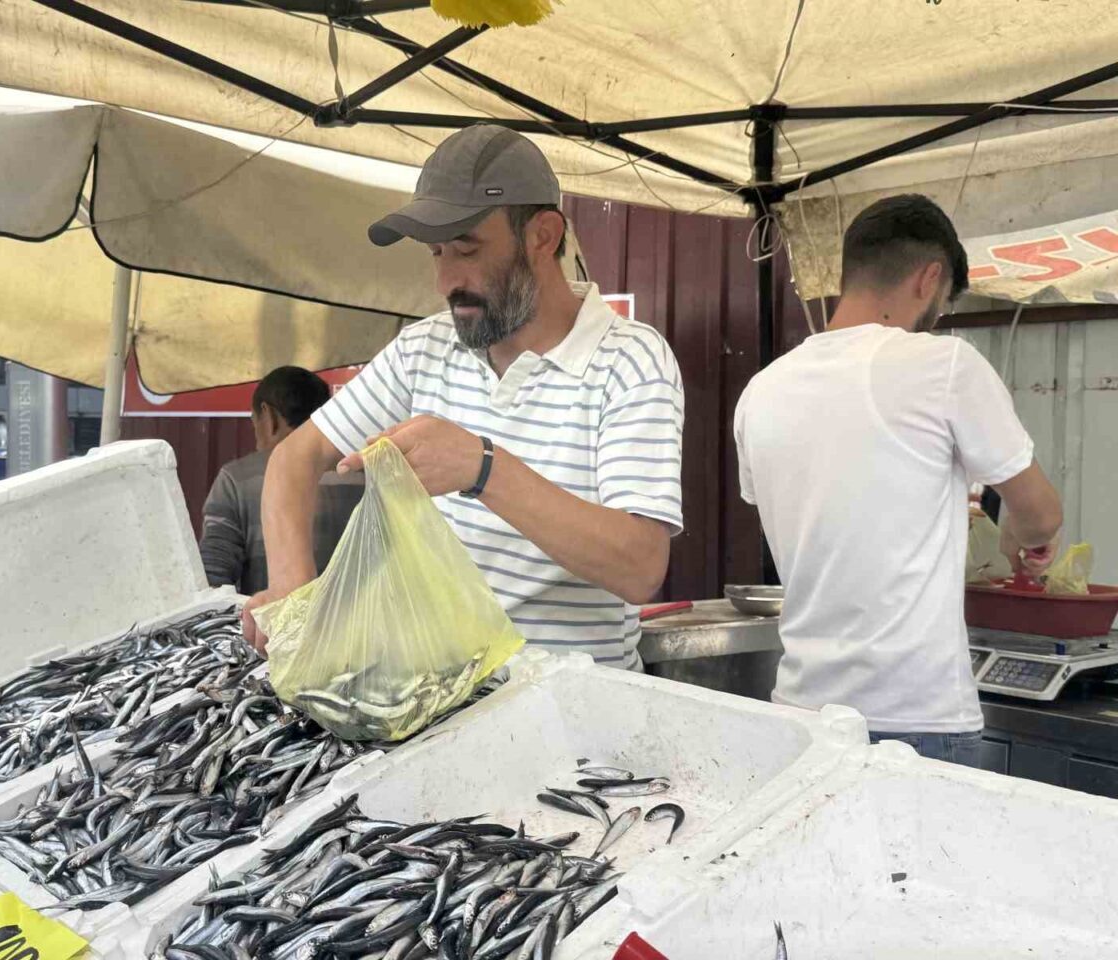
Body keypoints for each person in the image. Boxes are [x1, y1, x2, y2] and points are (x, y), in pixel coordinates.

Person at [242, 124, 685, 668]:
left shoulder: (631, 360)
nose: (445, 281)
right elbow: (295, 456)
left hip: (569, 715)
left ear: (543, 236)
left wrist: (482, 468)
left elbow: (640, 566)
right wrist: (293, 591)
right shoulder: (424, 348)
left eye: (467, 249)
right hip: (428, 701)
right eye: (436, 253)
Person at [733, 194, 1063, 766]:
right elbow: (1042, 515)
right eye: (942, 299)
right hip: (918, 719)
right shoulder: (943, 364)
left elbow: (828, 510)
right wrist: (1025, 539)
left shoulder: (761, 390)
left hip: (800, 715)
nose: (936, 314)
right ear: (929, 276)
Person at [200, 366, 361, 596]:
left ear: (269, 417)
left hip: (276, 629)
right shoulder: (363, 473)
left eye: (254, 421)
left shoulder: (236, 479)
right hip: (366, 629)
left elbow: (213, 578)